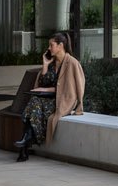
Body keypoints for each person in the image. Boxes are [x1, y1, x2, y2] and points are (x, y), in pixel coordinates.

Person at [13, 32, 85, 161]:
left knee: (34, 107)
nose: (49, 48)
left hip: (63, 100)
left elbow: (77, 86)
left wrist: (79, 105)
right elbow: (42, 82)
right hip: (47, 99)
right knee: (34, 103)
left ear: (60, 45)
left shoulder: (72, 63)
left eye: (51, 45)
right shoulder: (52, 63)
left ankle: (24, 146)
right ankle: (25, 143)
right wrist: (45, 65)